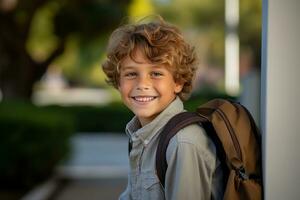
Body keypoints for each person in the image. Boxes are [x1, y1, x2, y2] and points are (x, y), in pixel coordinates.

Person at [102, 16, 224, 200]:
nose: (142, 84)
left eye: (156, 73)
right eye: (131, 73)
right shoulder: (142, 135)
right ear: (118, 82)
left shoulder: (182, 143)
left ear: (178, 82)